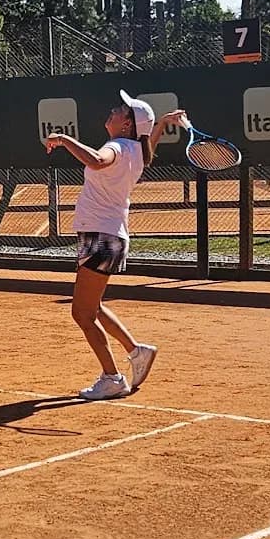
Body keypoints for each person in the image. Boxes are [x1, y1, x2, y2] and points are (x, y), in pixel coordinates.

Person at [45, 89, 188, 401]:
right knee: (92, 307)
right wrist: (162, 122)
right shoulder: (137, 150)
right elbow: (148, 144)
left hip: (100, 238)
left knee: (82, 314)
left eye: (121, 109)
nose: (114, 110)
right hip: (106, 237)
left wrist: (64, 139)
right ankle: (137, 351)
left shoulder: (117, 147)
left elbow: (97, 161)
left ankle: (112, 378)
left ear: (127, 125)